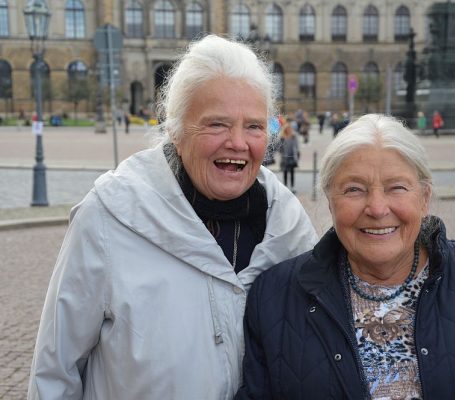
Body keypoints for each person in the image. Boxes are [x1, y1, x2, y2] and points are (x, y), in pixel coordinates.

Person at [28, 35, 318, 400]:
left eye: (254, 126)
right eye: (217, 124)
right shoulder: (107, 218)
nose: (238, 142)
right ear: (176, 131)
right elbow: (55, 373)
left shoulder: (290, 226)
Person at [236, 114, 455, 399]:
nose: (376, 207)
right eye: (354, 190)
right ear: (330, 200)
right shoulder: (274, 296)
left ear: (424, 198)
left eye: (396, 187)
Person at [279, 121, 299, 192]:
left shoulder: (293, 136)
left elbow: (296, 147)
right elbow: (280, 149)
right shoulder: (282, 138)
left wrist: (297, 156)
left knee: (292, 172)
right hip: (284, 158)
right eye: (287, 129)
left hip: (292, 157)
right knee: (285, 172)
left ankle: (292, 187)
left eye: (289, 129)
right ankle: (285, 186)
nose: (288, 130)